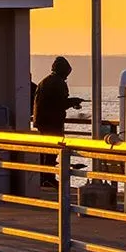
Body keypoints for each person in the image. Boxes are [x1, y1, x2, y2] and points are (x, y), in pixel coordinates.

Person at [33, 57, 84, 187]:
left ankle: (43, 176)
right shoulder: (58, 83)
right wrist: (73, 101)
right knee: (53, 150)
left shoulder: (44, 82)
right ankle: (48, 177)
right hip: (52, 123)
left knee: (45, 151)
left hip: (41, 122)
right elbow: (60, 104)